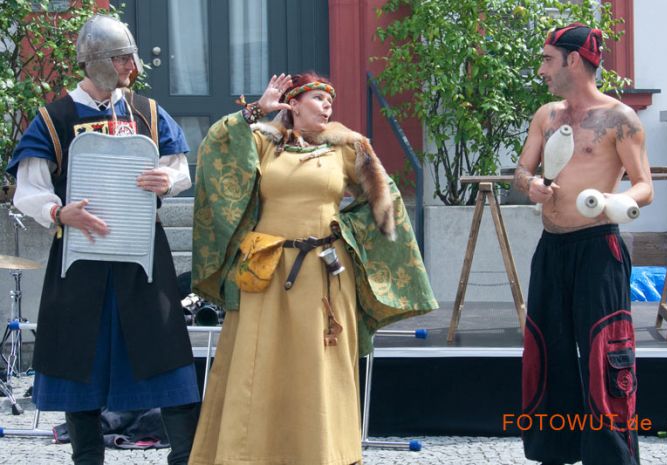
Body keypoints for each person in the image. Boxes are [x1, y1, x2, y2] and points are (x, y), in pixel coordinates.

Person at [189, 72, 438, 465]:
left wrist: (346, 232)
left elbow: (384, 199)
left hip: (323, 273)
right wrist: (256, 110)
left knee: (318, 367)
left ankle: (323, 454)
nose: (327, 106)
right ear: (294, 103)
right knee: (259, 363)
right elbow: (214, 148)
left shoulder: (346, 146)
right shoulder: (264, 142)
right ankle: (248, 455)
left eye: (330, 101)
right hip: (267, 272)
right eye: (319, 98)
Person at [6, 14, 200, 465]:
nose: (132, 66)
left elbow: (179, 168)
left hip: (142, 260)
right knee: (79, 363)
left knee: (165, 355)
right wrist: (58, 211)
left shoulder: (146, 111)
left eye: (131, 58)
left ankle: (185, 459)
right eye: (122, 58)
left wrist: (166, 180)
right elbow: (28, 189)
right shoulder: (54, 118)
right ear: (96, 61)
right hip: (80, 263)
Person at [514, 23, 653, 465]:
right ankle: (554, 453)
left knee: (604, 358)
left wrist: (617, 201)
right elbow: (521, 170)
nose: (541, 70)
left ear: (573, 60)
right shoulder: (546, 115)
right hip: (552, 249)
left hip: (598, 249)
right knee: (547, 354)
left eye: (547, 59)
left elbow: (645, 186)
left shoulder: (620, 119)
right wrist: (531, 184)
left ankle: (611, 459)